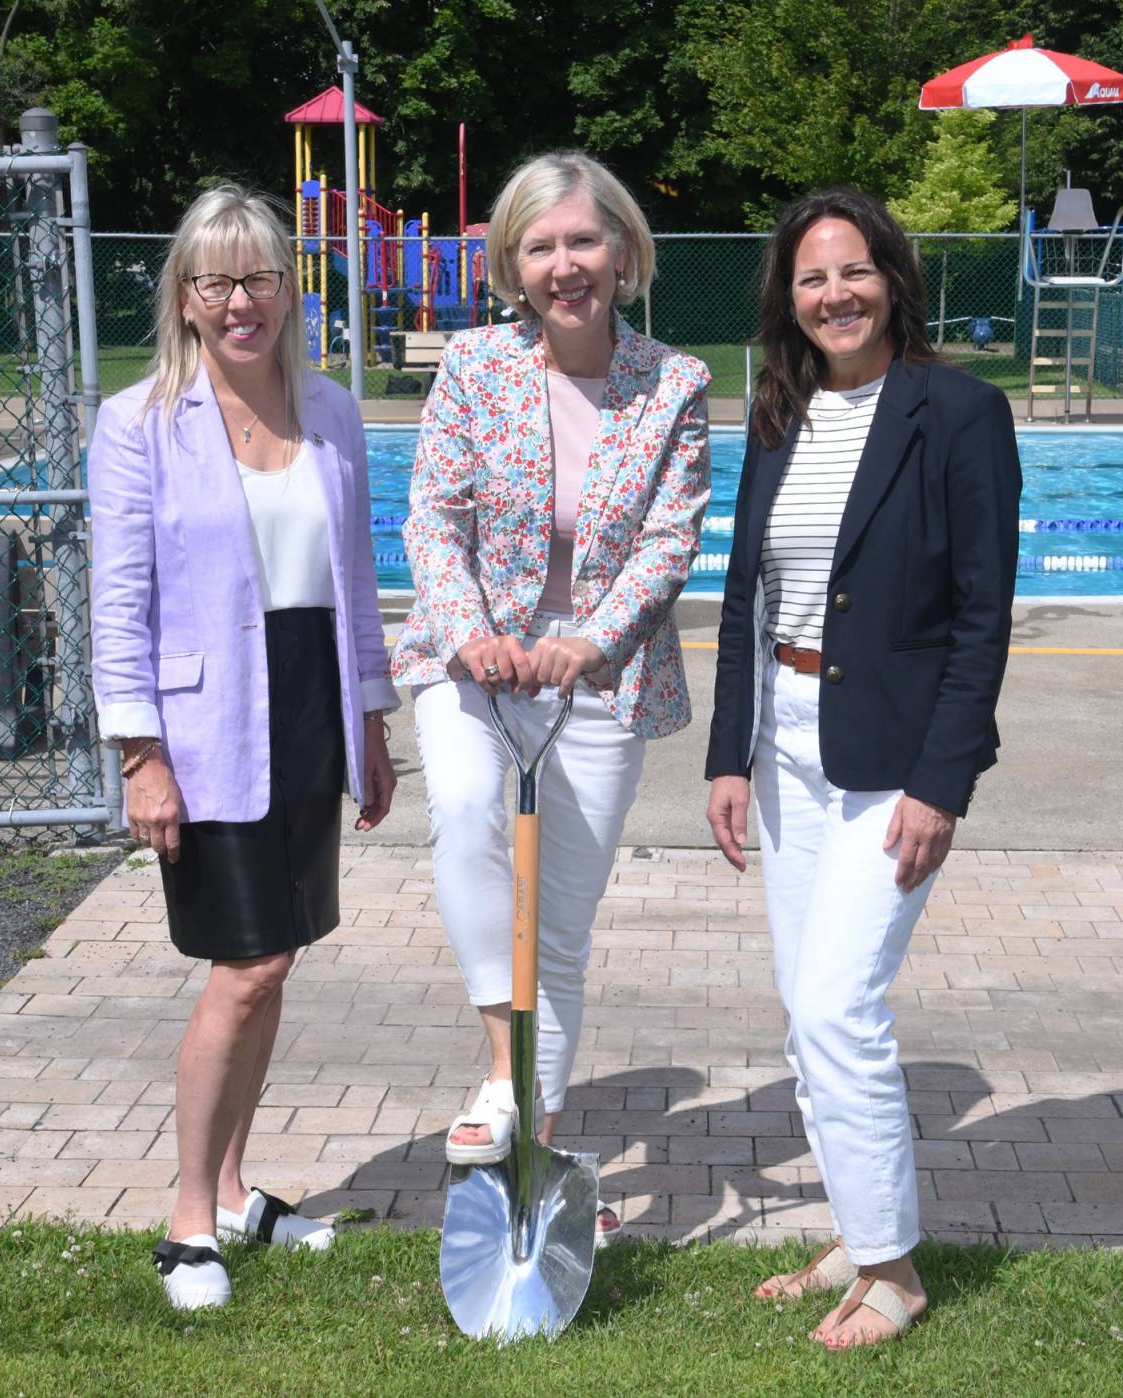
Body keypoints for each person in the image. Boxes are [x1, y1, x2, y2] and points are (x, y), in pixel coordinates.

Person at [703, 188, 1020, 1348]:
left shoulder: (960, 412)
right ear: (787, 299)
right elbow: (744, 594)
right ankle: (854, 1228)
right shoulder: (778, 414)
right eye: (811, 278)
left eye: (854, 271)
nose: (835, 295)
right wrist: (729, 754)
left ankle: (893, 1268)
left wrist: (943, 782)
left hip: (893, 759)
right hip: (784, 744)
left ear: (892, 278)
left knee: (840, 1005)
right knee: (806, 1013)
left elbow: (983, 614)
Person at [88, 184, 399, 1310]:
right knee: (246, 966)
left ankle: (230, 1192)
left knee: (281, 960)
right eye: (214, 281)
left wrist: (372, 718)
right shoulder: (137, 423)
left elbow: (354, 577)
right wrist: (141, 755)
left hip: (312, 706)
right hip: (207, 726)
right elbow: (119, 604)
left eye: (259, 277)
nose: (239, 301)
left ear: (287, 289)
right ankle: (188, 1222)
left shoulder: (332, 411)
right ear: (184, 296)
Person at [392, 151, 710, 1243]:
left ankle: (538, 1152)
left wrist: (589, 640)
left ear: (622, 252)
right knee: (465, 808)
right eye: (541, 247)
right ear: (512, 265)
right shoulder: (474, 366)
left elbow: (669, 542)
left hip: (600, 677)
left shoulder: (675, 383)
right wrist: (473, 631)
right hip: (473, 662)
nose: (564, 265)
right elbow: (434, 518)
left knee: (558, 927)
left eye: (583, 241)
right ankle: (503, 1071)